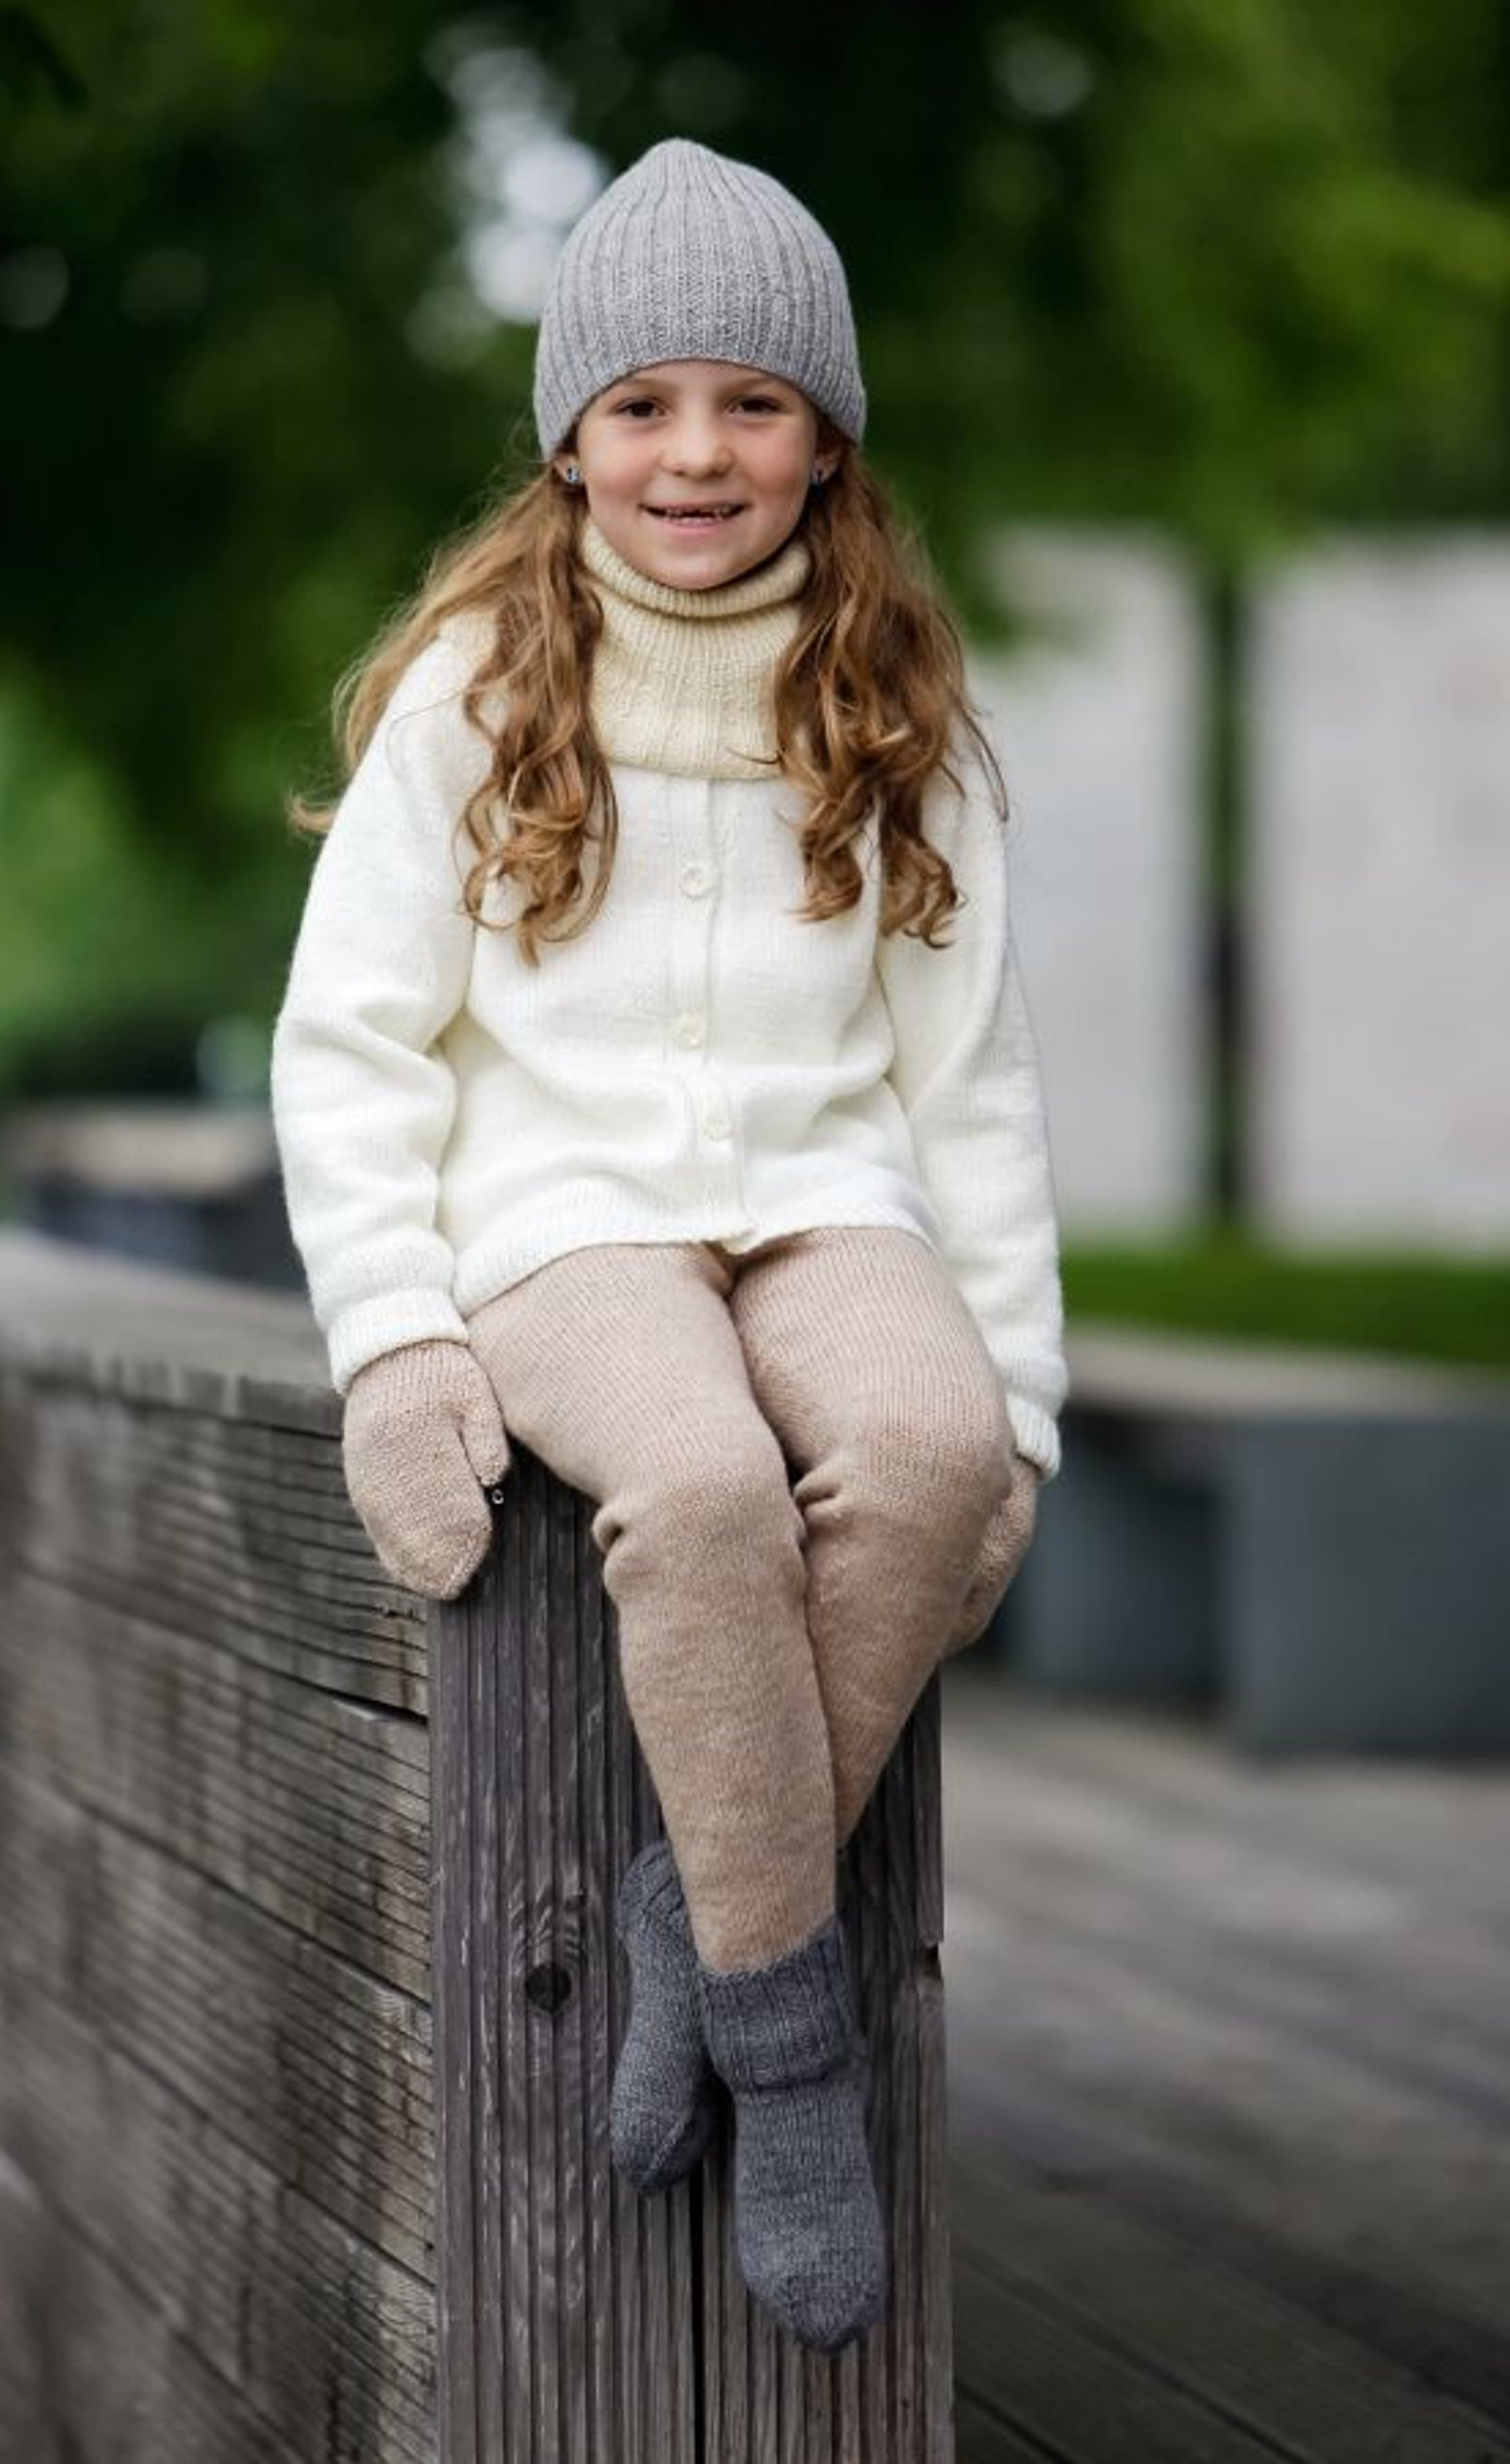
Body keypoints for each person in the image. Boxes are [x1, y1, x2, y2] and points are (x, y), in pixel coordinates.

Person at [269, 136, 1068, 2355]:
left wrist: (1020, 1406)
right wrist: (395, 1338)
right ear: (569, 439)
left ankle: (697, 1902)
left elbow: (972, 1084)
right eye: (642, 406)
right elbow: (352, 1046)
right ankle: (791, 2050)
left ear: (827, 434)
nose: (695, 452)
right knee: (704, 1486)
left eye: (750, 402)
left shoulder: (894, 707)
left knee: (925, 1449)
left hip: (828, 1202)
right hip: (562, 1224)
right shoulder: (477, 692)